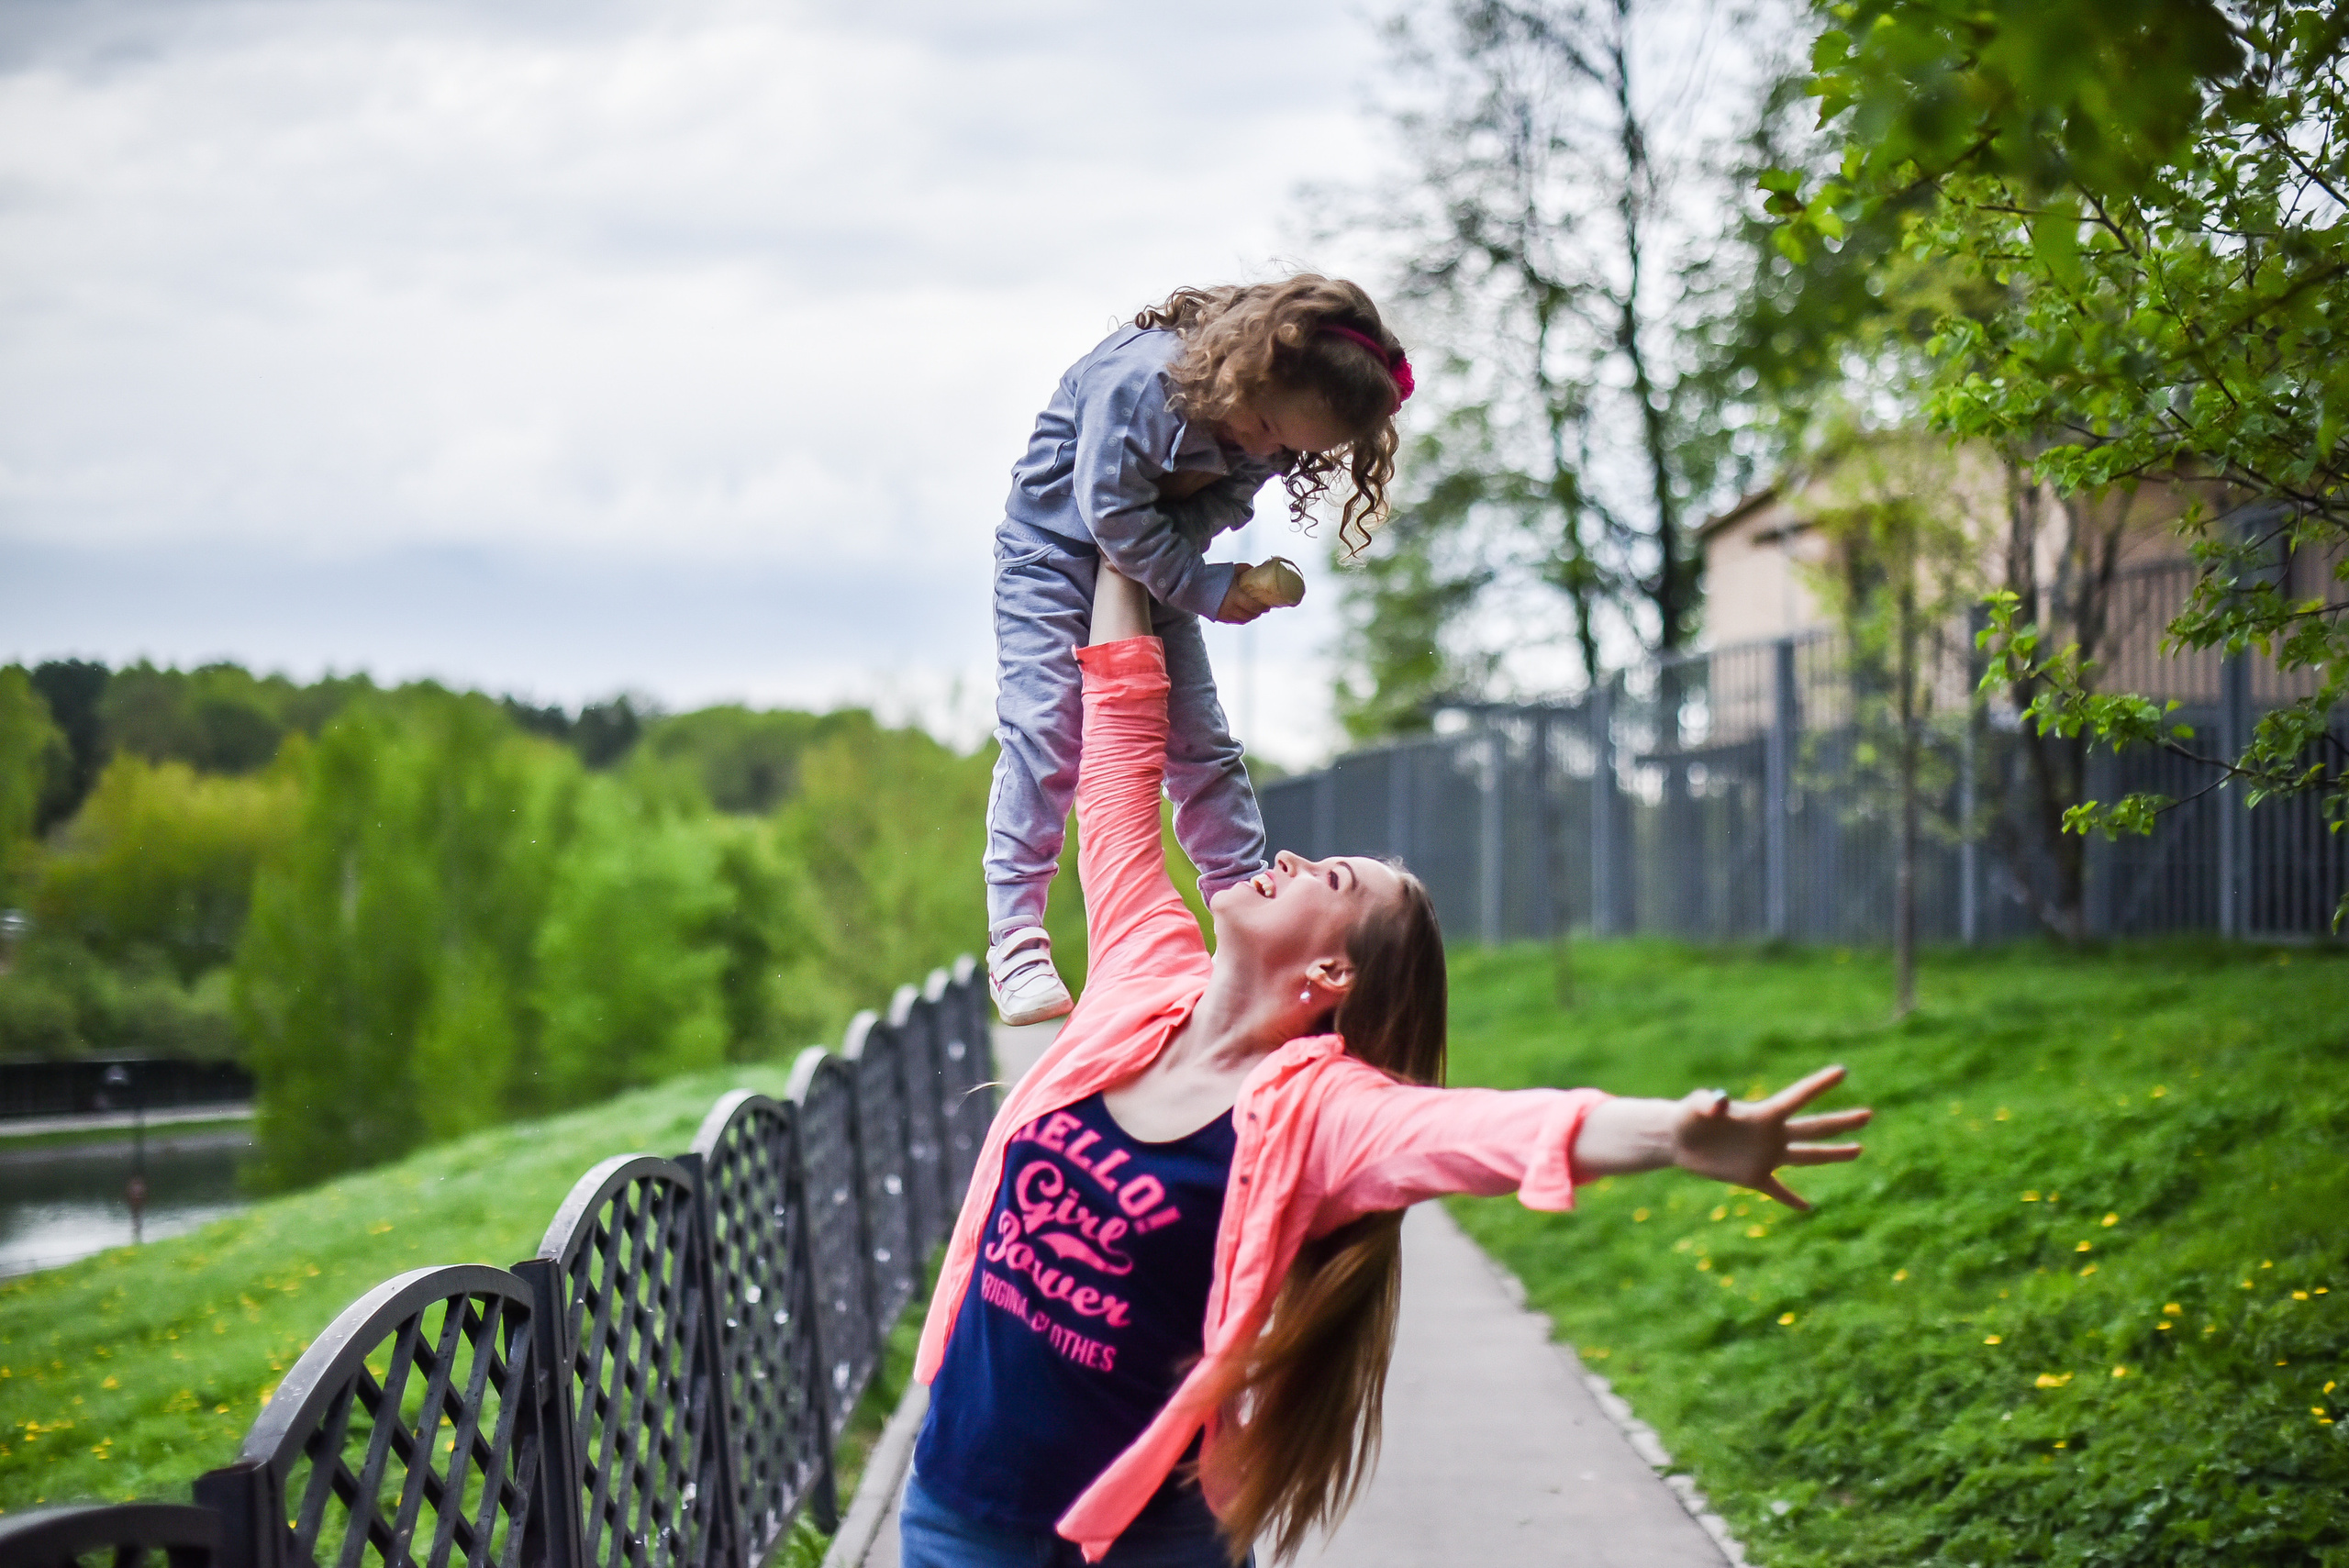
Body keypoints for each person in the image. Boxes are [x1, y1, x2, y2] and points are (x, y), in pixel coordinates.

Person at [906, 564, 1873, 1566]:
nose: (1281, 861)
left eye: (1324, 876)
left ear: (1329, 969)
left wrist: (1676, 1131)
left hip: (1139, 1541)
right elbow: (1115, 758)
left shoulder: (1316, 1113)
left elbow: (1491, 1131)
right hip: (953, 1510)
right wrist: (1121, 546)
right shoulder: (1144, 971)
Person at [985, 275, 1414, 1026]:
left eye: (1287, 449)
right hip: (1054, 556)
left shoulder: (1268, 425)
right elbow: (1111, 516)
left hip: (1154, 558)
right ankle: (1016, 932)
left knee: (1202, 747)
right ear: (1257, 366)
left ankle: (1248, 905)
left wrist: (1208, 571)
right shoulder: (1140, 383)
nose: (1265, 450)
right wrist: (1213, 589)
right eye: (1266, 428)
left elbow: (1228, 500)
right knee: (1047, 728)